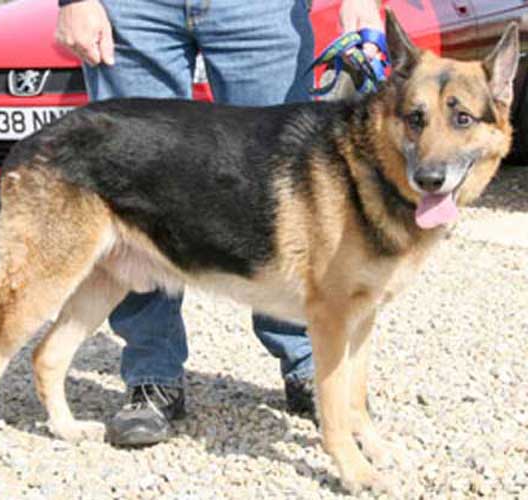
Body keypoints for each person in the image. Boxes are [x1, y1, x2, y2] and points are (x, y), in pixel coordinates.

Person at [56, 0, 383, 447]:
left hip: (264, 9)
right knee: (134, 187)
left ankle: (308, 362)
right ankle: (152, 375)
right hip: (133, 9)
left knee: (290, 192)